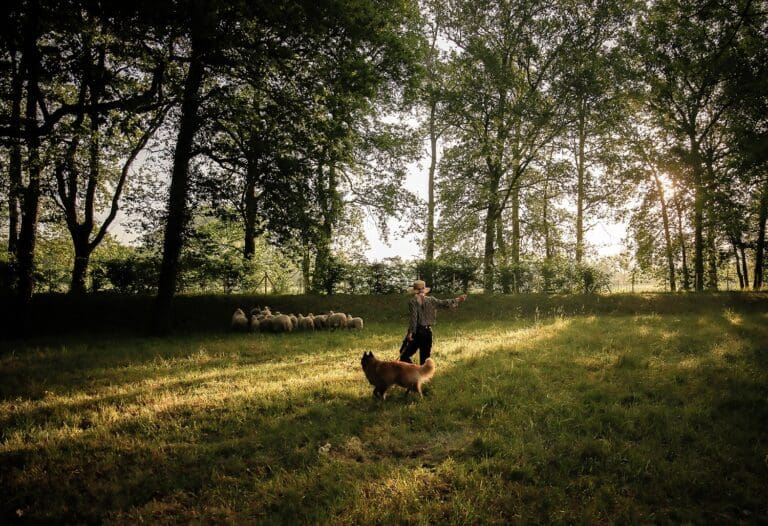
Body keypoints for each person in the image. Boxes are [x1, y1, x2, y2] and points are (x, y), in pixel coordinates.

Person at [399, 280, 467, 365]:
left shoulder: (413, 301)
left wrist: (410, 333)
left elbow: (414, 318)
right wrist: (458, 299)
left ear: (414, 291)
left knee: (404, 355)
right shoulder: (431, 300)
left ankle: (414, 372)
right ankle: (421, 375)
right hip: (427, 332)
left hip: (417, 332)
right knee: (425, 359)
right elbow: (444, 303)